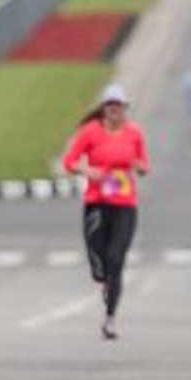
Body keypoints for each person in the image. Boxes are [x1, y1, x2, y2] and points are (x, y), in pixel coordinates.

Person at [62, 84, 150, 340]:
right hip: (97, 202)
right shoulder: (91, 132)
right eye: (110, 105)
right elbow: (69, 162)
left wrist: (138, 166)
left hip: (125, 204)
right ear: (103, 108)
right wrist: (88, 171)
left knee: (116, 258)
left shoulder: (134, 133)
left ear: (125, 108)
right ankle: (103, 280)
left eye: (118, 105)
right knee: (98, 260)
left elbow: (145, 166)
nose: (114, 109)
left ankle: (110, 317)